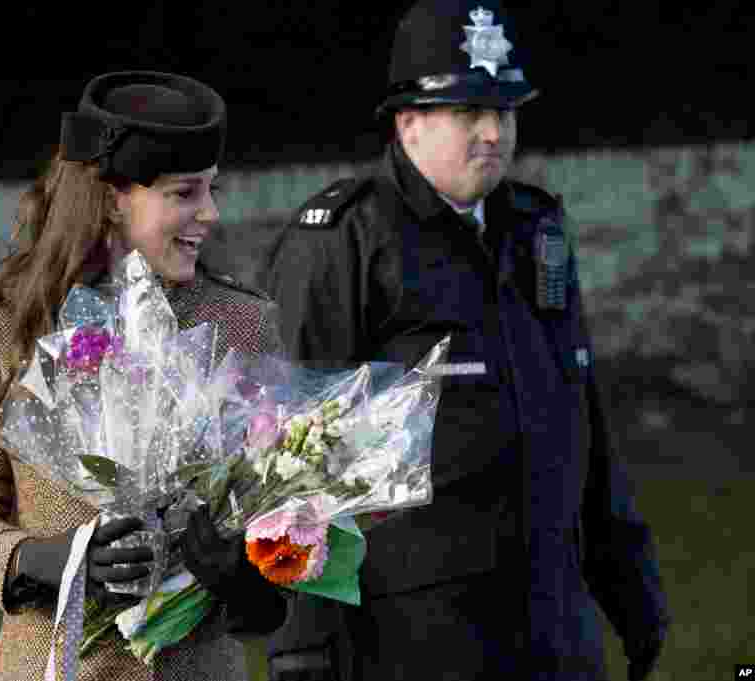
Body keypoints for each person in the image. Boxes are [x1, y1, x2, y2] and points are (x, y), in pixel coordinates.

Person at [262, 2, 671, 680]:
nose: (492, 132)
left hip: (554, 628)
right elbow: (286, 456)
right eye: (468, 112)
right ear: (408, 121)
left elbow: (581, 415)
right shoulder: (345, 241)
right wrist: (302, 643)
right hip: (414, 639)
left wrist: (630, 582)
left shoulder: (536, 227)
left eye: (504, 112)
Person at [0, 70, 287, 681]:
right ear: (112, 199)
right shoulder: (11, 317)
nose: (210, 213)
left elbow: (282, 531)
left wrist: (246, 571)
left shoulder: (243, 324)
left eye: (212, 189)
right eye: (184, 194)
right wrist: (48, 561)